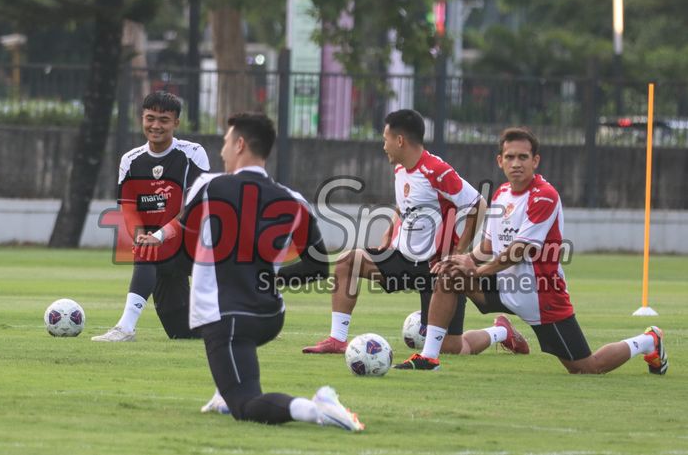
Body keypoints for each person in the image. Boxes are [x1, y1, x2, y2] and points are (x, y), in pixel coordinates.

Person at [139, 112, 364, 430]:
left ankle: (316, 408)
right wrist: (270, 277)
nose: (222, 151)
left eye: (227, 142)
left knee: (245, 404)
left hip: (227, 316)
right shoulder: (293, 199)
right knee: (233, 361)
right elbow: (317, 267)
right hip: (270, 315)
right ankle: (221, 393)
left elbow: (186, 243)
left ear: (240, 144)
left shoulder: (210, 186)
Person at [394, 127, 668, 375]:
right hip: (502, 284)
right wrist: (463, 259)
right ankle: (429, 357)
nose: (516, 163)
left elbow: (518, 251)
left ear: (535, 161)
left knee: (586, 367)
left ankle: (649, 340)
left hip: (541, 294)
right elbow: (488, 246)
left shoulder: (544, 196)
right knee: (449, 275)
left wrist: (476, 270)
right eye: (510, 157)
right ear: (499, 161)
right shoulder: (501, 193)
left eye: (523, 157)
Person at [302, 109, 529, 356]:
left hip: (435, 267)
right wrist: (391, 229)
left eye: (385, 139)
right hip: (402, 258)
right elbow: (406, 203)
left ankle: (502, 331)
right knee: (347, 261)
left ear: (400, 140)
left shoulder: (437, 171)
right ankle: (337, 340)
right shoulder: (401, 168)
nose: (384, 146)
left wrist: (458, 250)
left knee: (452, 348)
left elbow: (478, 205)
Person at [92, 91, 210, 342]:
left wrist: (159, 235)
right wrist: (140, 236)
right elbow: (129, 207)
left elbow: (195, 207)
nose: (156, 125)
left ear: (176, 123)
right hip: (161, 250)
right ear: (142, 119)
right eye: (150, 118)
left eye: (164, 120)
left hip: (197, 245)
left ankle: (125, 328)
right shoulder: (130, 160)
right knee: (183, 334)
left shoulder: (193, 153)